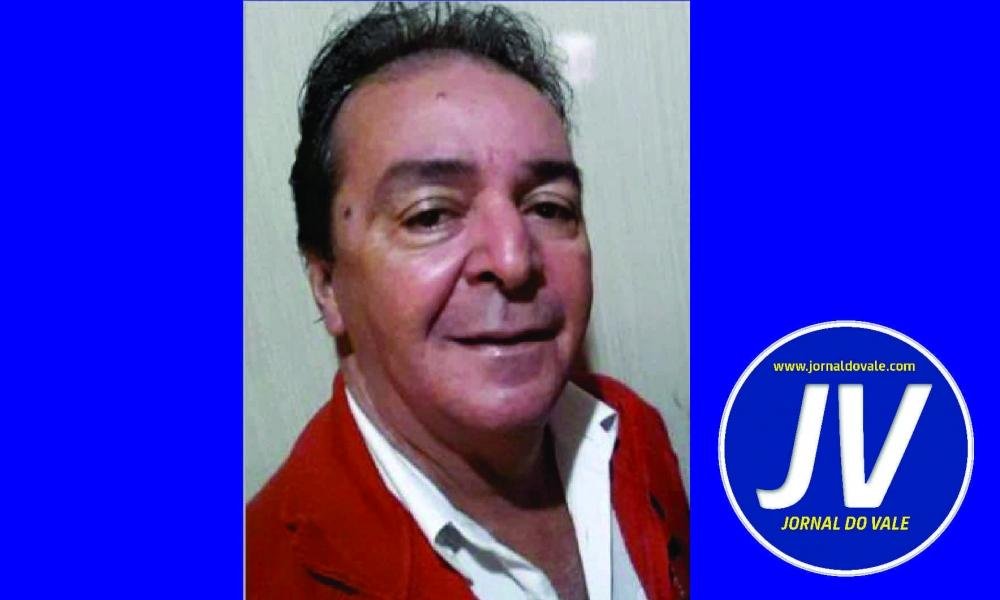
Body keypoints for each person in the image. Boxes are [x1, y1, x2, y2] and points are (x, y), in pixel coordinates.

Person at [246, 3, 689, 598]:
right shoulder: (265, 574)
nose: (513, 260)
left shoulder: (631, 434)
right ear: (328, 284)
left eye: (549, 207)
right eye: (430, 215)